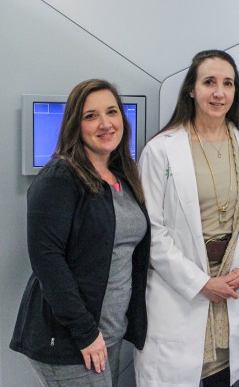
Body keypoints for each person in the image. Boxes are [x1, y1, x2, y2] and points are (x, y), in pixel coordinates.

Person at [134, 49, 239, 387]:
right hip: (179, 294)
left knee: (221, 377)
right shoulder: (161, 149)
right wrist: (201, 283)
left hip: (231, 292)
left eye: (228, 84)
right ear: (191, 89)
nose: (219, 92)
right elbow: (153, 232)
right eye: (209, 82)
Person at [10, 79, 151, 387]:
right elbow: (47, 262)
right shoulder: (60, 177)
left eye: (111, 112)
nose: (105, 123)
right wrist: (86, 334)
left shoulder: (121, 177)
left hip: (107, 335)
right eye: (91, 116)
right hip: (71, 339)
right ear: (76, 124)